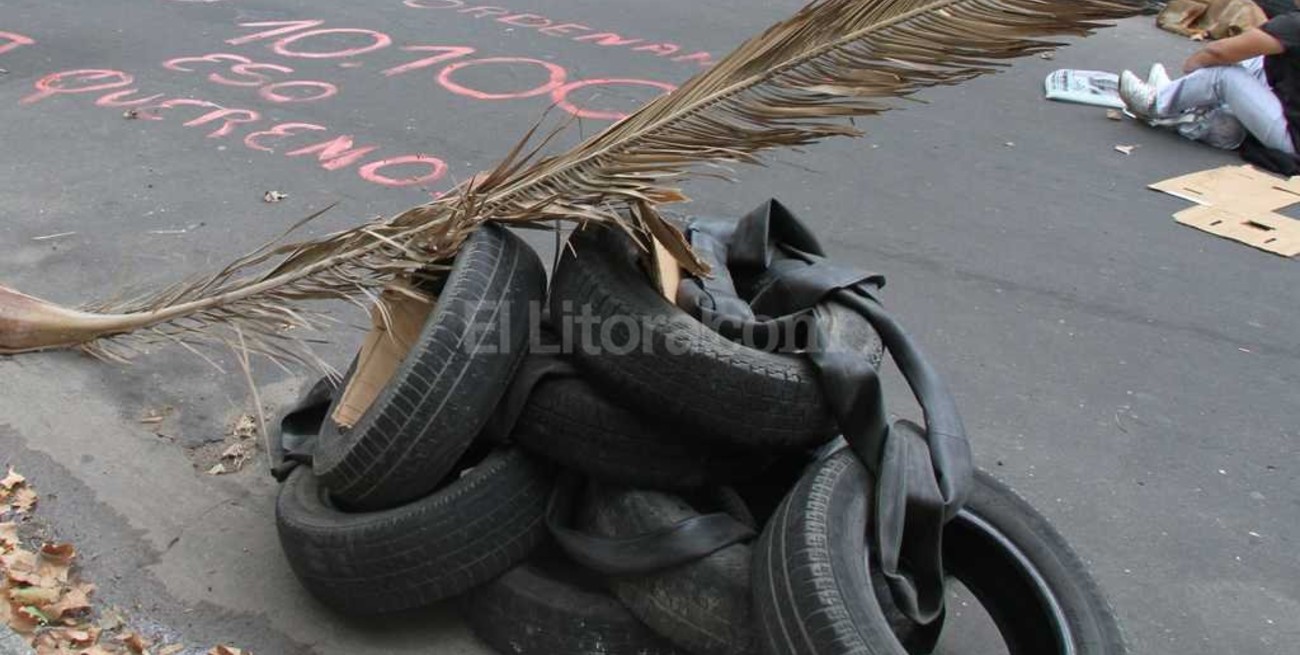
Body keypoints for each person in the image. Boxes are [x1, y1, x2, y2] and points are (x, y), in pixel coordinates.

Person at [1119, 13, 1300, 158]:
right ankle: (1192, 104)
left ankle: (1155, 103)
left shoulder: (1293, 25)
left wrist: (1193, 68)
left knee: (1223, 74)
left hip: (1292, 141)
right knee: (1258, 57)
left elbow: (1217, 52)